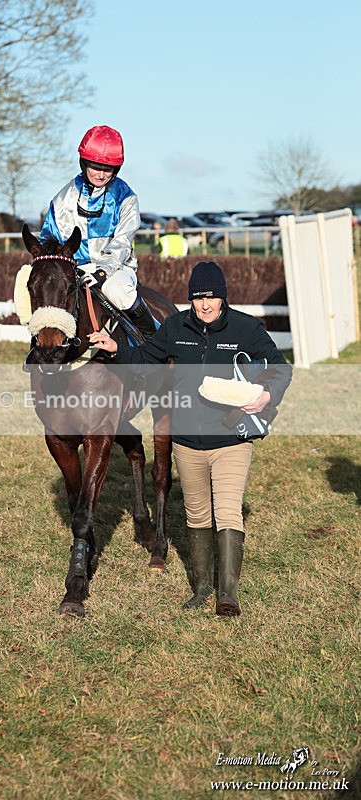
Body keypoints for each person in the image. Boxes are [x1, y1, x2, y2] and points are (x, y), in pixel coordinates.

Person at [88, 260, 292, 617]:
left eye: (212, 297)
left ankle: (227, 595)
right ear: (191, 300)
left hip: (231, 439)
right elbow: (145, 359)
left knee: (227, 512)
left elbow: (280, 366)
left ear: (223, 297)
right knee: (197, 516)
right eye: (198, 298)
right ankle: (201, 589)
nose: (205, 305)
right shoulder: (175, 327)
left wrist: (267, 395)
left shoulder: (246, 328)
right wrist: (116, 350)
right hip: (186, 442)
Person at [40, 124, 156, 338]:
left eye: (108, 169)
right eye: (95, 167)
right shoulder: (63, 198)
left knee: (117, 292)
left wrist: (102, 272)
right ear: (84, 163)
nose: (101, 175)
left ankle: (154, 339)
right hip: (73, 269)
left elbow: (122, 243)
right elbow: (48, 238)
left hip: (116, 269)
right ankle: (38, 347)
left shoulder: (126, 198)